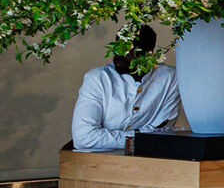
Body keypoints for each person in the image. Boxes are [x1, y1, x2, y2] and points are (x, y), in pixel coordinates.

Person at [71, 23, 182, 152]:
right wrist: (139, 138)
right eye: (117, 45)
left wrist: (110, 138)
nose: (119, 52)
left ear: (148, 52)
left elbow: (162, 132)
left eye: (128, 47)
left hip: (148, 161)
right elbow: (84, 137)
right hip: (96, 163)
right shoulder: (98, 78)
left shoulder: (170, 78)